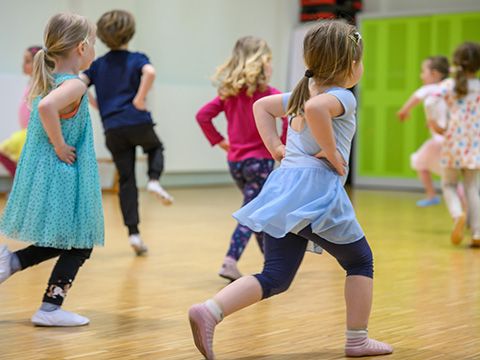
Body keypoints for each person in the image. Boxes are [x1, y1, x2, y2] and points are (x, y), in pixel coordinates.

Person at [188, 20, 393, 359]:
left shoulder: (304, 91)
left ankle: (211, 310)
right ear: (351, 65)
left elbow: (262, 108)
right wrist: (331, 152)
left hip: (285, 190)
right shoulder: (340, 97)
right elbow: (315, 112)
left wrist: (275, 147)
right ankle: (357, 340)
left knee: (276, 276)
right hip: (315, 194)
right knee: (360, 262)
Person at [0, 13, 103, 326]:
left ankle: (13, 264)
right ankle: (49, 308)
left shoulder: (51, 81)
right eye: (94, 44)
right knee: (80, 241)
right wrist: (60, 145)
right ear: (83, 48)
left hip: (54, 172)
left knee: (64, 239)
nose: (94, 50)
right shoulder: (73, 85)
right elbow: (47, 109)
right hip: (64, 173)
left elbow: (46, 107)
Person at [81, 10, 173, 256]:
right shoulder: (137, 58)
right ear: (130, 33)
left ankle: (133, 234)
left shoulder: (97, 65)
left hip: (112, 128)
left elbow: (78, 82)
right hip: (136, 120)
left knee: (126, 179)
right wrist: (139, 99)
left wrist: (95, 103)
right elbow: (150, 73)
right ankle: (154, 180)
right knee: (155, 148)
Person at [196, 36, 287, 281]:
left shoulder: (229, 94)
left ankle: (271, 264)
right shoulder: (271, 95)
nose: (271, 66)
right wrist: (282, 146)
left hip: (236, 163)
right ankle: (230, 261)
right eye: (269, 61)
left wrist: (220, 141)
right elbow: (291, 115)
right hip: (260, 163)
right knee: (252, 212)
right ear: (261, 64)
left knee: (256, 210)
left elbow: (202, 116)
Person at [428, 42, 480, 247]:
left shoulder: (449, 85)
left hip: (454, 141)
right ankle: (477, 232)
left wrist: (435, 122)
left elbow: (431, 101)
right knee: (472, 187)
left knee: (449, 184)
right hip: (475, 142)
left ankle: (458, 214)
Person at [397, 56, 450, 207]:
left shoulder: (430, 88)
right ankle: (464, 207)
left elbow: (415, 98)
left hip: (439, 140)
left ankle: (432, 195)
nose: (421, 75)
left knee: (419, 162)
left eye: (423, 71)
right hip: (450, 139)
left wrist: (403, 111)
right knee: (450, 177)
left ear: (434, 74)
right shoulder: (449, 88)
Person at [0, 46, 42, 176]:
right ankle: (19, 184)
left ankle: (19, 185)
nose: (23, 65)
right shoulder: (31, 83)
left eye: (27, 61)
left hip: (33, 132)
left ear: (37, 64)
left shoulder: (40, 84)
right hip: (25, 132)